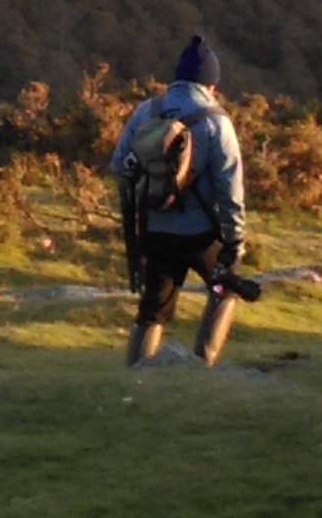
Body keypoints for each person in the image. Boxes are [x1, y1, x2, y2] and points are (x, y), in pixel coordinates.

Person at [108, 35, 255, 367]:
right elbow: (230, 187)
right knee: (224, 288)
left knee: (153, 309)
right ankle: (205, 362)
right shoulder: (217, 122)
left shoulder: (147, 110)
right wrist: (234, 239)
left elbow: (119, 165)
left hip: (155, 229)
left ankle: (137, 374)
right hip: (200, 233)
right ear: (211, 83)